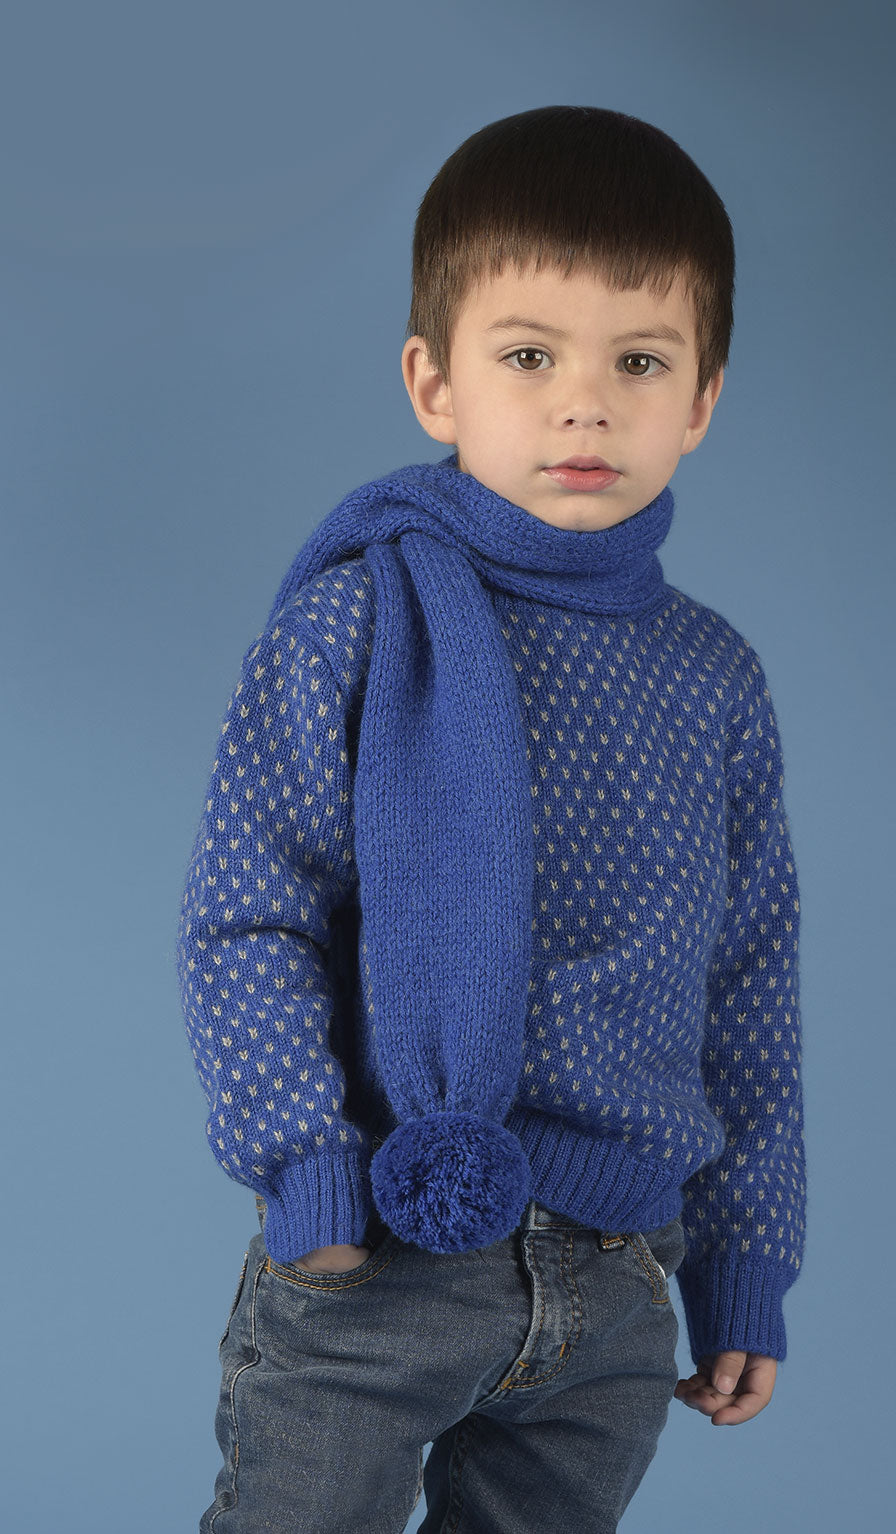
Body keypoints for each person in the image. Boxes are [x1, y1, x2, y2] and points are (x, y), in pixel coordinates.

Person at [177, 103, 806, 1534]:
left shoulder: (717, 679)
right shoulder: (354, 621)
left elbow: (749, 990)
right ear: (435, 382)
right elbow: (249, 911)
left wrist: (746, 1263)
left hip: (620, 1275)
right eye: (530, 357)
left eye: (638, 361)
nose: (585, 405)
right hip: (381, 1244)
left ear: (701, 400)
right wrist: (306, 1170)